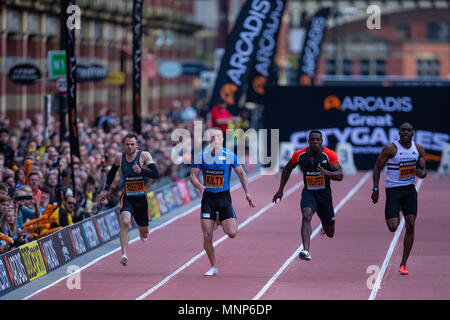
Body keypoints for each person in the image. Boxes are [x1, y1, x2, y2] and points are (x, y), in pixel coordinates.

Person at [190, 128, 255, 276]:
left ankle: (219, 220)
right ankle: (213, 266)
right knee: (207, 235)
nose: (215, 139)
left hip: (224, 198)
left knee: (232, 233)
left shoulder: (230, 156)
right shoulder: (201, 156)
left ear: (222, 139)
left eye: (218, 136)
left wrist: (247, 192)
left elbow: (241, 173)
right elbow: (192, 176)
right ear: (208, 140)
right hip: (208, 198)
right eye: (212, 137)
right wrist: (200, 185)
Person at [272, 130, 343, 261]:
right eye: (312, 140)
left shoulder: (329, 155)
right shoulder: (299, 155)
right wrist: (281, 190)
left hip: (324, 195)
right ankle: (306, 250)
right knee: (306, 216)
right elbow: (287, 169)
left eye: (318, 140)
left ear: (322, 142)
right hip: (309, 192)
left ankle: (324, 220)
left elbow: (340, 175)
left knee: (330, 233)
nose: (315, 142)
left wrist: (326, 172)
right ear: (309, 141)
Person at [371, 122, 427, 275]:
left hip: (409, 190)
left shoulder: (419, 149)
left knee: (410, 224)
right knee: (393, 227)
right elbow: (377, 167)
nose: (406, 133)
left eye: (409, 130)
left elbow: (423, 170)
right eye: (403, 130)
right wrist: (375, 188)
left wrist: (421, 173)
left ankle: (403, 264)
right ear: (399, 132)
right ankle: (397, 208)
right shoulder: (390, 149)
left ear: (413, 133)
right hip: (393, 191)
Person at [99, 132, 159, 266]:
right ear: (123, 145)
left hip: (141, 199)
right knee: (125, 222)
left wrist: (142, 171)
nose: (129, 147)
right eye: (127, 144)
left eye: (132, 144)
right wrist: (106, 189)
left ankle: (142, 232)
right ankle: (124, 254)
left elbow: (156, 173)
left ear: (137, 145)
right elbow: (111, 173)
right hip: (127, 197)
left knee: (145, 233)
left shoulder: (144, 156)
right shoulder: (119, 158)